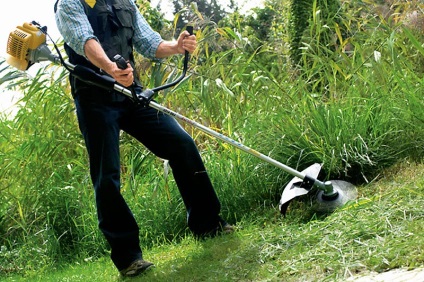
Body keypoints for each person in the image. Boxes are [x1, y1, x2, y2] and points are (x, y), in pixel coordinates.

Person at [55, 0, 234, 277]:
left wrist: (176, 46)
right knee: (107, 175)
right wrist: (110, 68)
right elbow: (84, 40)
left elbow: (148, 42)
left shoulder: (124, 2)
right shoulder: (69, 3)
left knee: (181, 144)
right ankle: (128, 258)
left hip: (130, 92)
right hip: (95, 98)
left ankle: (208, 225)